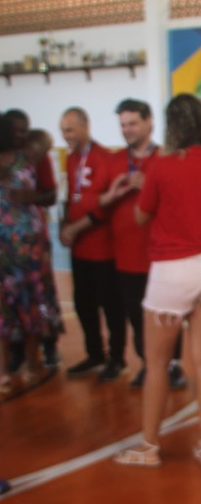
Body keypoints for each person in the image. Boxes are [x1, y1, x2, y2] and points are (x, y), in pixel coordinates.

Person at [113, 94, 201, 468]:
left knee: (156, 364)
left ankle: (149, 447)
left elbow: (140, 216)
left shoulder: (161, 166)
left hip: (171, 272)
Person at [101, 99, 187, 390]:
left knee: (166, 316)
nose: (127, 129)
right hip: (125, 255)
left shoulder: (167, 158)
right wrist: (113, 194)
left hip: (160, 255)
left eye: (132, 123)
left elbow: (179, 204)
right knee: (136, 318)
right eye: (123, 124)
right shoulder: (113, 161)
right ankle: (149, 365)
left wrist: (149, 184)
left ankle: (172, 365)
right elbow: (100, 204)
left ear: (149, 122)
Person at [59, 107, 127, 381]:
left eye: (70, 129)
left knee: (111, 306)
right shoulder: (71, 158)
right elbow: (72, 197)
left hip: (103, 248)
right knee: (83, 303)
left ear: (86, 126)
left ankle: (117, 357)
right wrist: (66, 225)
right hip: (79, 248)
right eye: (63, 130)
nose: (66, 136)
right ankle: (94, 354)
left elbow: (106, 206)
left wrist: (75, 228)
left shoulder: (105, 159)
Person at [0, 114, 62, 393]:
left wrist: (32, 198)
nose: (21, 136)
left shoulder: (33, 157)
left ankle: (34, 363)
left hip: (29, 248)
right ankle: (3, 371)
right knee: (3, 308)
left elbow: (50, 195)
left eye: (25, 131)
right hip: (3, 250)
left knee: (31, 305)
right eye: (16, 132)